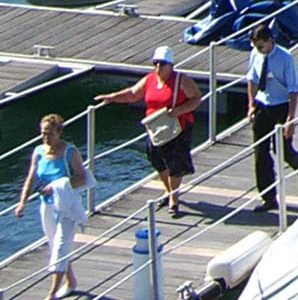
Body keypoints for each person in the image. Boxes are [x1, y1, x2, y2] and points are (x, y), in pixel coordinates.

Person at [96, 44, 200, 215]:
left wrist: (179, 110)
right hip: (156, 127)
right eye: (155, 63)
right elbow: (132, 94)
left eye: (163, 64)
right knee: (155, 157)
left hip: (177, 126)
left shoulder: (182, 80)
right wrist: (112, 97)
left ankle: (174, 198)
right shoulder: (150, 79)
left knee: (175, 163)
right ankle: (168, 190)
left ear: (171, 65)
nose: (158, 67)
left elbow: (196, 98)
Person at [14, 114, 87, 300]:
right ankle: (71, 281)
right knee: (55, 244)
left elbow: (82, 178)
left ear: (59, 132)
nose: (45, 137)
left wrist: (57, 185)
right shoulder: (38, 151)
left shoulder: (70, 152)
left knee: (61, 247)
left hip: (66, 206)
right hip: (47, 206)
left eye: (49, 133)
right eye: (43, 133)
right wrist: (22, 202)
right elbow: (31, 178)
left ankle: (51, 294)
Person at [245, 21, 298, 212]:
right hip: (263, 104)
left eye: (261, 46)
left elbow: (293, 89)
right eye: (256, 46)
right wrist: (251, 104)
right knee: (260, 153)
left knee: (283, 149)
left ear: (270, 41)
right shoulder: (255, 54)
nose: (259, 50)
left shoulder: (285, 58)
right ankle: (268, 197)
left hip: (281, 105)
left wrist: (290, 119)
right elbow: (252, 79)